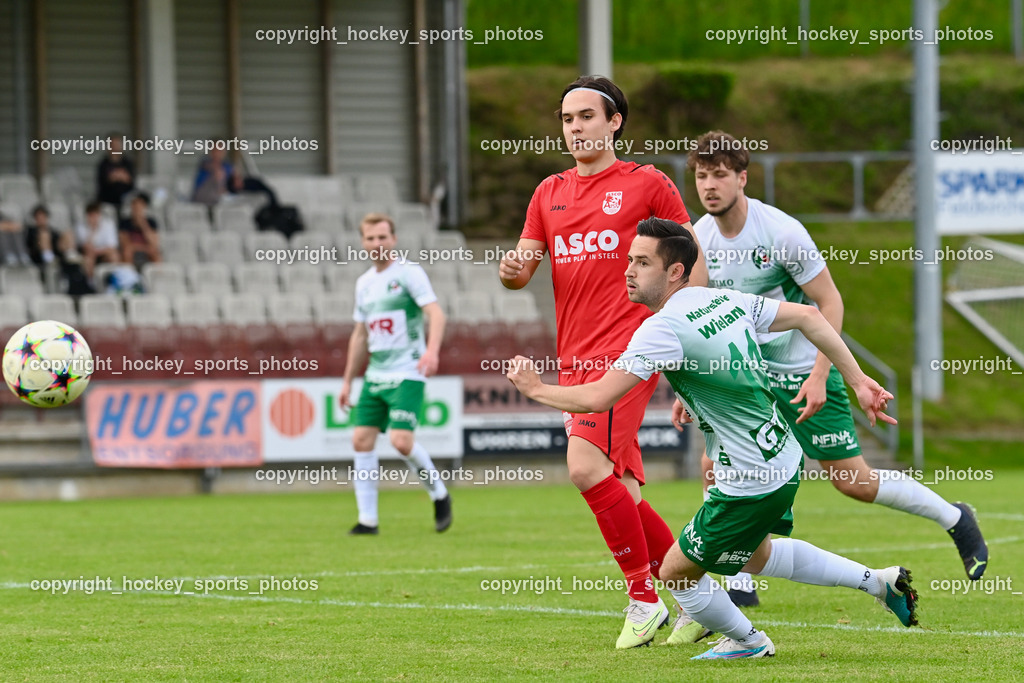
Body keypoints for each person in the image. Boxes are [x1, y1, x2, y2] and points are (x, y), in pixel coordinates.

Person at [507, 218, 918, 660]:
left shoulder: (660, 329)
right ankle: (880, 581)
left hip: (750, 479)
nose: (628, 270)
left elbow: (598, 397)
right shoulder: (721, 298)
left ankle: (749, 641)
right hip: (780, 453)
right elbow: (810, 316)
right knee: (756, 556)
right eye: (629, 259)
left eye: (642, 263)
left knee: (676, 574)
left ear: (675, 273)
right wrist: (857, 381)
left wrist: (536, 389)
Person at [684, 130, 987, 609]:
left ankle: (955, 516)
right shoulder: (698, 240)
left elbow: (829, 301)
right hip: (748, 381)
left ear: (742, 178)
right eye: (701, 176)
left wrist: (821, 374)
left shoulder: (781, 231)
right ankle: (737, 581)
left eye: (720, 174)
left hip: (803, 370)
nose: (709, 185)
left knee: (854, 482)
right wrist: (691, 389)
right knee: (715, 466)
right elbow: (699, 315)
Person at [498, 75, 709, 649]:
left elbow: (693, 266)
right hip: (575, 355)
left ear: (614, 122)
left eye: (586, 116)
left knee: (584, 467)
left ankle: (643, 599)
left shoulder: (647, 184)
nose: (575, 128)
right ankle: (697, 600)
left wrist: (687, 342)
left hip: (631, 349)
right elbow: (522, 265)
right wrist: (512, 270)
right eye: (567, 119)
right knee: (622, 489)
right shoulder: (549, 192)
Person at [339, 212, 452, 535]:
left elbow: (436, 313)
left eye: (382, 237)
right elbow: (360, 335)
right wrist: (348, 380)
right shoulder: (364, 283)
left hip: (408, 371)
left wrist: (432, 352)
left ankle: (440, 494)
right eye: (370, 238)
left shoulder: (408, 274)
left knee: (401, 442)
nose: (377, 243)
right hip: (376, 375)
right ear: (363, 242)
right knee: (361, 440)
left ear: (394, 239)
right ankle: (367, 520)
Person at [75, 201, 121, 281]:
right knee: (89, 255)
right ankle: (91, 282)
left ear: (99, 215)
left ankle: (116, 279)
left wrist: (97, 251)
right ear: (87, 216)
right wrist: (93, 231)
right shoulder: (80, 226)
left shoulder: (108, 224)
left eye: (95, 215)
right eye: (91, 215)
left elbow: (112, 246)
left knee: (114, 255)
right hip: (89, 253)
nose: (93, 218)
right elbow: (85, 246)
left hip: (103, 252)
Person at [119, 192, 161, 268]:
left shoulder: (151, 222)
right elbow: (124, 243)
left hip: (145, 248)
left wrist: (143, 225)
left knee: (155, 252)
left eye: (140, 207)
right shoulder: (125, 222)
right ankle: (129, 275)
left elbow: (154, 243)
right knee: (127, 251)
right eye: (135, 207)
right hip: (132, 248)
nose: (137, 210)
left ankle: (158, 275)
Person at [96, 133, 135, 207]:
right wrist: (118, 176)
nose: (115, 147)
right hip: (107, 202)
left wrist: (116, 176)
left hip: (126, 203)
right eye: (112, 145)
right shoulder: (103, 164)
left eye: (117, 144)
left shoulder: (128, 163)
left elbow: (131, 180)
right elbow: (102, 182)